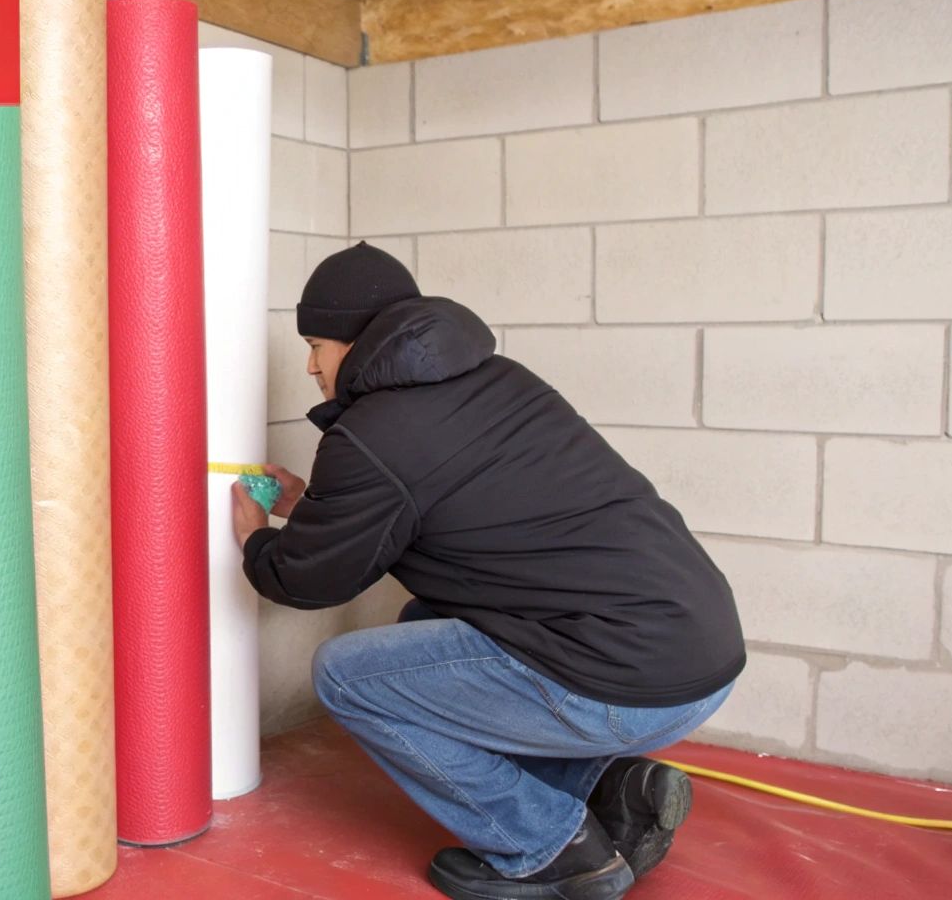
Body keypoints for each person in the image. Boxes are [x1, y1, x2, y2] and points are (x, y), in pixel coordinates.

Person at [231, 242, 745, 900]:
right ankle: (613, 791)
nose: (310, 366)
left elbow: (306, 581)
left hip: (627, 681)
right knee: (423, 624)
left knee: (347, 676)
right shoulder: (499, 381)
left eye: (318, 346)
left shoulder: (371, 433)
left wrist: (254, 542)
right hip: (696, 654)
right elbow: (435, 504)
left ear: (357, 343)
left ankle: (553, 849)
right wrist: (320, 510)